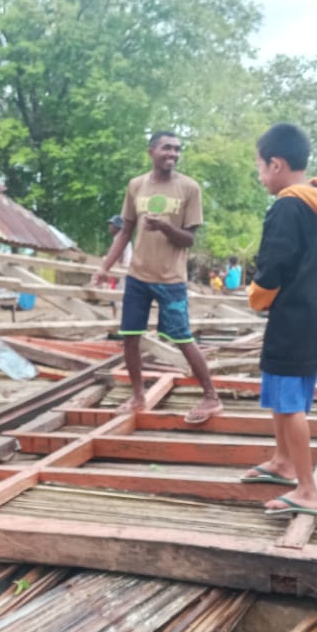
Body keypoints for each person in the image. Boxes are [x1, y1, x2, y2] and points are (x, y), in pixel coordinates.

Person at [244, 123, 317, 517]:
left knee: (290, 402)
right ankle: (283, 461)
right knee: (284, 391)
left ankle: (308, 489)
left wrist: (258, 298)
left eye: (260, 167)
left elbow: (272, 264)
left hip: (291, 317)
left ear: (276, 164)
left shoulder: (287, 206)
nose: (261, 176)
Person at [90, 131, 223, 424]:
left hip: (170, 280)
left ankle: (211, 396)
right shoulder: (136, 186)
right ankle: (138, 397)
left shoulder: (189, 188)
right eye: (166, 148)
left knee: (183, 338)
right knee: (130, 338)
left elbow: (189, 239)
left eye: (177, 149)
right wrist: (105, 268)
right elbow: (125, 231)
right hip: (138, 277)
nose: (172, 154)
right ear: (151, 151)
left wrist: (164, 227)